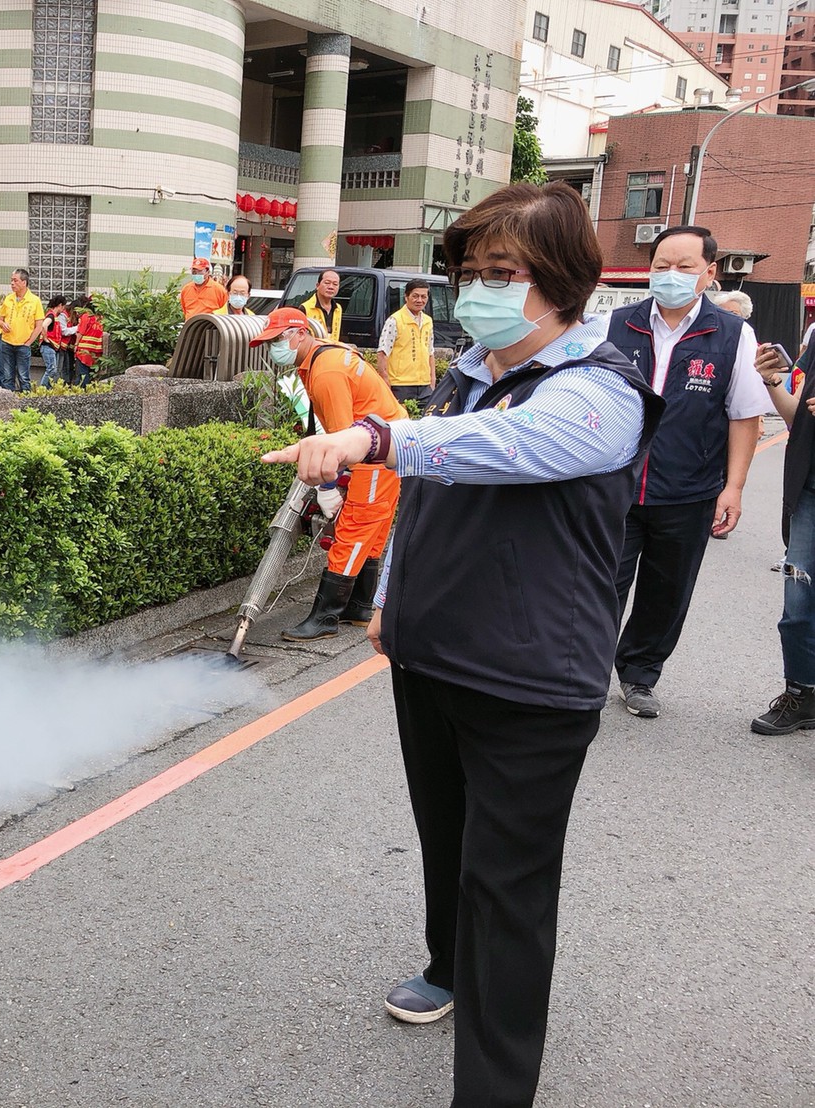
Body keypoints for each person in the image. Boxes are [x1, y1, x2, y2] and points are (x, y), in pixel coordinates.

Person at [260, 181, 662, 1108]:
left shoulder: (599, 390)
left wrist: (372, 435)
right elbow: (430, 500)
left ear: (560, 279)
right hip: (432, 656)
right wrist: (391, 604)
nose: (475, 289)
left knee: (509, 889)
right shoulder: (472, 365)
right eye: (467, 272)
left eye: (500, 272)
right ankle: (446, 968)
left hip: (530, 682)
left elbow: (494, 448)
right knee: (446, 839)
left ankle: (494, 1084)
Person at [607, 225, 771, 718]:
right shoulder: (615, 325)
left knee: (667, 590)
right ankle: (584, 673)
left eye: (684, 267)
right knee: (598, 585)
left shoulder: (732, 335)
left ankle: (638, 674)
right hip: (615, 486)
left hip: (689, 490)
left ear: (710, 273)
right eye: (661, 266)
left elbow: (744, 414)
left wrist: (733, 487)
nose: (671, 276)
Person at [249, 307, 406, 639]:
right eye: (270, 342)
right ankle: (361, 606)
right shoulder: (319, 356)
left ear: (301, 333)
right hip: (384, 443)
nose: (274, 348)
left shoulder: (326, 372)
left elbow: (339, 439)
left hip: (375, 452)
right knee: (373, 528)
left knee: (354, 529)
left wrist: (328, 487)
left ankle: (325, 618)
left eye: (279, 339)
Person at [750, 339, 815, 734]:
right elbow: (799, 417)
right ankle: (801, 693)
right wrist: (772, 379)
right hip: (810, 488)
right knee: (798, 599)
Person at [377, 278, 436, 403]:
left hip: (425, 386)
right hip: (400, 385)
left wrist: (432, 381)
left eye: (423, 296)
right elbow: (382, 353)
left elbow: (430, 353)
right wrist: (385, 380)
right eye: (415, 296)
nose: (420, 300)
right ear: (406, 296)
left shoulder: (428, 321)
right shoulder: (395, 320)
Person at [0, 267, 42, 392]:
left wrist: (28, 343)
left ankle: (25, 405)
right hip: (7, 343)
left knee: (24, 377)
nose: (12, 283)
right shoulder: (8, 298)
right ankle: (9, 405)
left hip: (23, 345)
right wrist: (2, 324)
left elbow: (39, 325)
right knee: (7, 377)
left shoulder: (35, 301)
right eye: (11, 280)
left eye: (15, 280)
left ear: (24, 282)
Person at [38, 295, 75, 387]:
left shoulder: (55, 316)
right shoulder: (51, 316)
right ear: (60, 305)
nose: (63, 309)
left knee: (52, 370)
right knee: (51, 369)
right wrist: (45, 338)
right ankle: (42, 388)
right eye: (63, 307)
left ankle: (47, 389)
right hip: (48, 346)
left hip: (51, 347)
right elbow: (44, 325)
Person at [300, 269, 343, 342]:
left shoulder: (338, 308)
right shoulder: (305, 308)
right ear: (317, 285)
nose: (331, 287)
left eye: (335, 284)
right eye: (327, 283)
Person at [72, 295, 103, 387]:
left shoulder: (85, 316)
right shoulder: (101, 318)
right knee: (92, 374)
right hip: (96, 351)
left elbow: (80, 332)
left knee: (82, 374)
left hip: (84, 350)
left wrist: (76, 345)